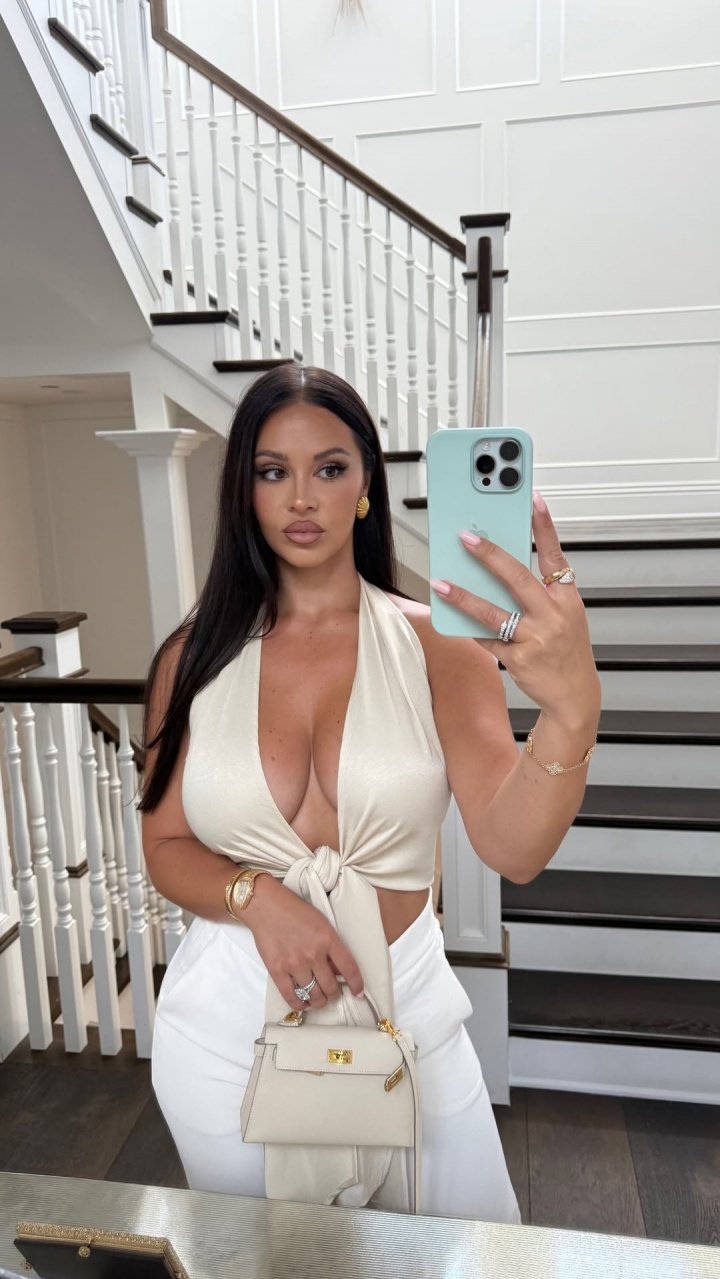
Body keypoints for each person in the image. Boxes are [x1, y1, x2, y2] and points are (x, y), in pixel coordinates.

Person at [142, 365, 601, 1221]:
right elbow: (165, 847)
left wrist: (573, 711)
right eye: (272, 470)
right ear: (243, 489)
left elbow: (514, 849)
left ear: (364, 485)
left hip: (408, 1015)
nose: (301, 496)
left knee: (473, 1254)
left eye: (329, 467)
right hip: (226, 1025)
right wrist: (258, 898)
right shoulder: (189, 658)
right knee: (266, 1264)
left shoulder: (440, 648)